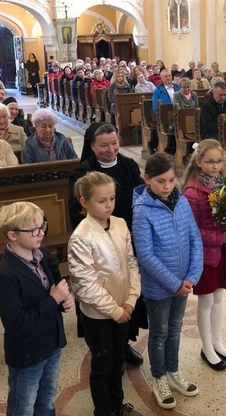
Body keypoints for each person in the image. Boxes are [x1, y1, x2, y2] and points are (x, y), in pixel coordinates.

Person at [68, 123, 147, 367]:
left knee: (126, 293)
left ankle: (124, 345)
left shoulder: (129, 165)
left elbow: (140, 201)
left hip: (127, 240)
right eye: (103, 145)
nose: (111, 149)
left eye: (114, 143)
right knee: (105, 298)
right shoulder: (82, 175)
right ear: (91, 146)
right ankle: (105, 349)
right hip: (99, 247)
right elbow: (77, 216)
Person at [132, 153, 203, 410]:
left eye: (172, 180)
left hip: (184, 282)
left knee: (175, 330)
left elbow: (194, 238)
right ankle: (159, 378)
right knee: (159, 333)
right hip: (159, 287)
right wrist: (175, 284)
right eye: (161, 181)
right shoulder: (142, 211)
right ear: (147, 179)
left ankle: (173, 372)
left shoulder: (181, 201)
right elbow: (147, 256)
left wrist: (192, 276)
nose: (167, 186)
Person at [69, 172, 142, 416]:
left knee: (118, 359)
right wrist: (114, 310)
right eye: (102, 201)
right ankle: (103, 410)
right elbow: (85, 285)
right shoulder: (81, 237)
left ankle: (118, 405)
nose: (109, 205)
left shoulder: (120, 224)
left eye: (111, 198)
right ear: (84, 202)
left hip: (124, 306)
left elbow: (131, 263)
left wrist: (131, 300)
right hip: (99, 315)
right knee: (102, 363)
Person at [0, 201, 73, 416]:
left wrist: (64, 302)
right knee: (23, 405)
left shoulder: (43, 255)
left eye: (42, 226)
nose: (40, 233)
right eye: (33, 229)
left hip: (51, 343)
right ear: (12, 235)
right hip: (28, 352)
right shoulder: (4, 274)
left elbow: (52, 290)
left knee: (47, 398)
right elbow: (16, 324)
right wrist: (53, 300)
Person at [182, 141, 226, 372]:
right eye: (210, 161)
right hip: (204, 256)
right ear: (198, 162)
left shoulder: (224, 184)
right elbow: (193, 231)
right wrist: (221, 238)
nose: (215, 166)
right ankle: (206, 348)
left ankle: (217, 342)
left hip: (222, 253)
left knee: (218, 298)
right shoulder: (192, 192)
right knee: (205, 302)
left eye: (218, 161)